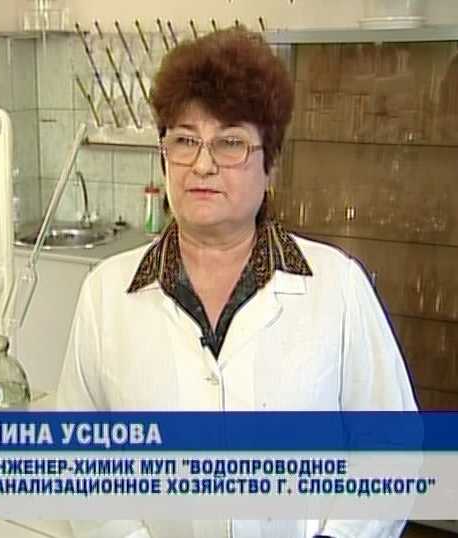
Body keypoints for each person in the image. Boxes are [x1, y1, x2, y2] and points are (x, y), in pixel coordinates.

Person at [57, 27, 417, 538]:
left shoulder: (338, 288)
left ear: (271, 165)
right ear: (163, 155)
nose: (203, 164)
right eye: (185, 140)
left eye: (230, 143)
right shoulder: (105, 294)